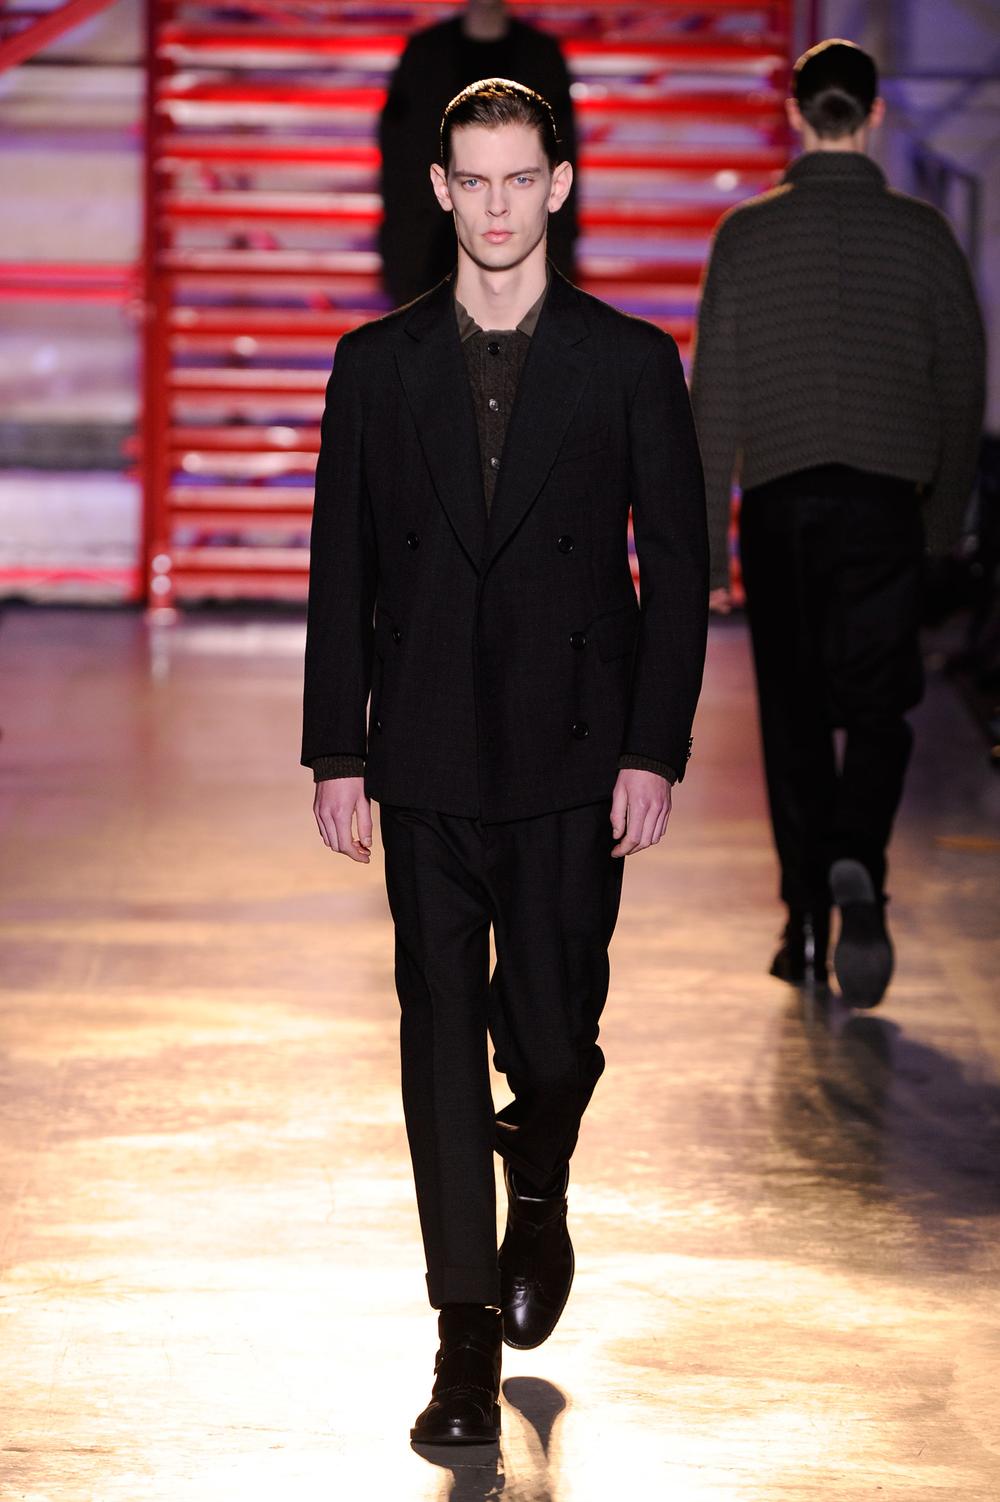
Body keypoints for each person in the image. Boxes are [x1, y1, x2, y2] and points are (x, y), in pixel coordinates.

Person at [303, 80, 708, 1445]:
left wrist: (654, 746)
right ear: (438, 188)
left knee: (551, 1029)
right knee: (435, 1032)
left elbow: (679, 568)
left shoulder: (631, 361)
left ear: (560, 184)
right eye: (471, 180)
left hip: (573, 751)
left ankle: (538, 1174)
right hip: (422, 745)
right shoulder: (377, 363)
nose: (494, 205)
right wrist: (336, 745)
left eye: (517, 178)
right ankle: (462, 1340)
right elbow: (342, 566)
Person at [691, 39, 986, 1008]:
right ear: (875, 114)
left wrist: (706, 547)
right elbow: (961, 388)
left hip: (781, 504)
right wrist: (940, 522)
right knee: (879, 709)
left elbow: (715, 397)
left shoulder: (745, 235)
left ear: (793, 113)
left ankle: (804, 923)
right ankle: (856, 851)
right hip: (884, 504)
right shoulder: (923, 236)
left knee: (792, 722)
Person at [378, 0, 578, 306]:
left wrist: (560, 259)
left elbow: (563, 153)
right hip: (429, 257)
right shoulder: (425, 55)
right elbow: (398, 162)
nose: (495, 204)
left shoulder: (541, 57)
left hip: (526, 267)